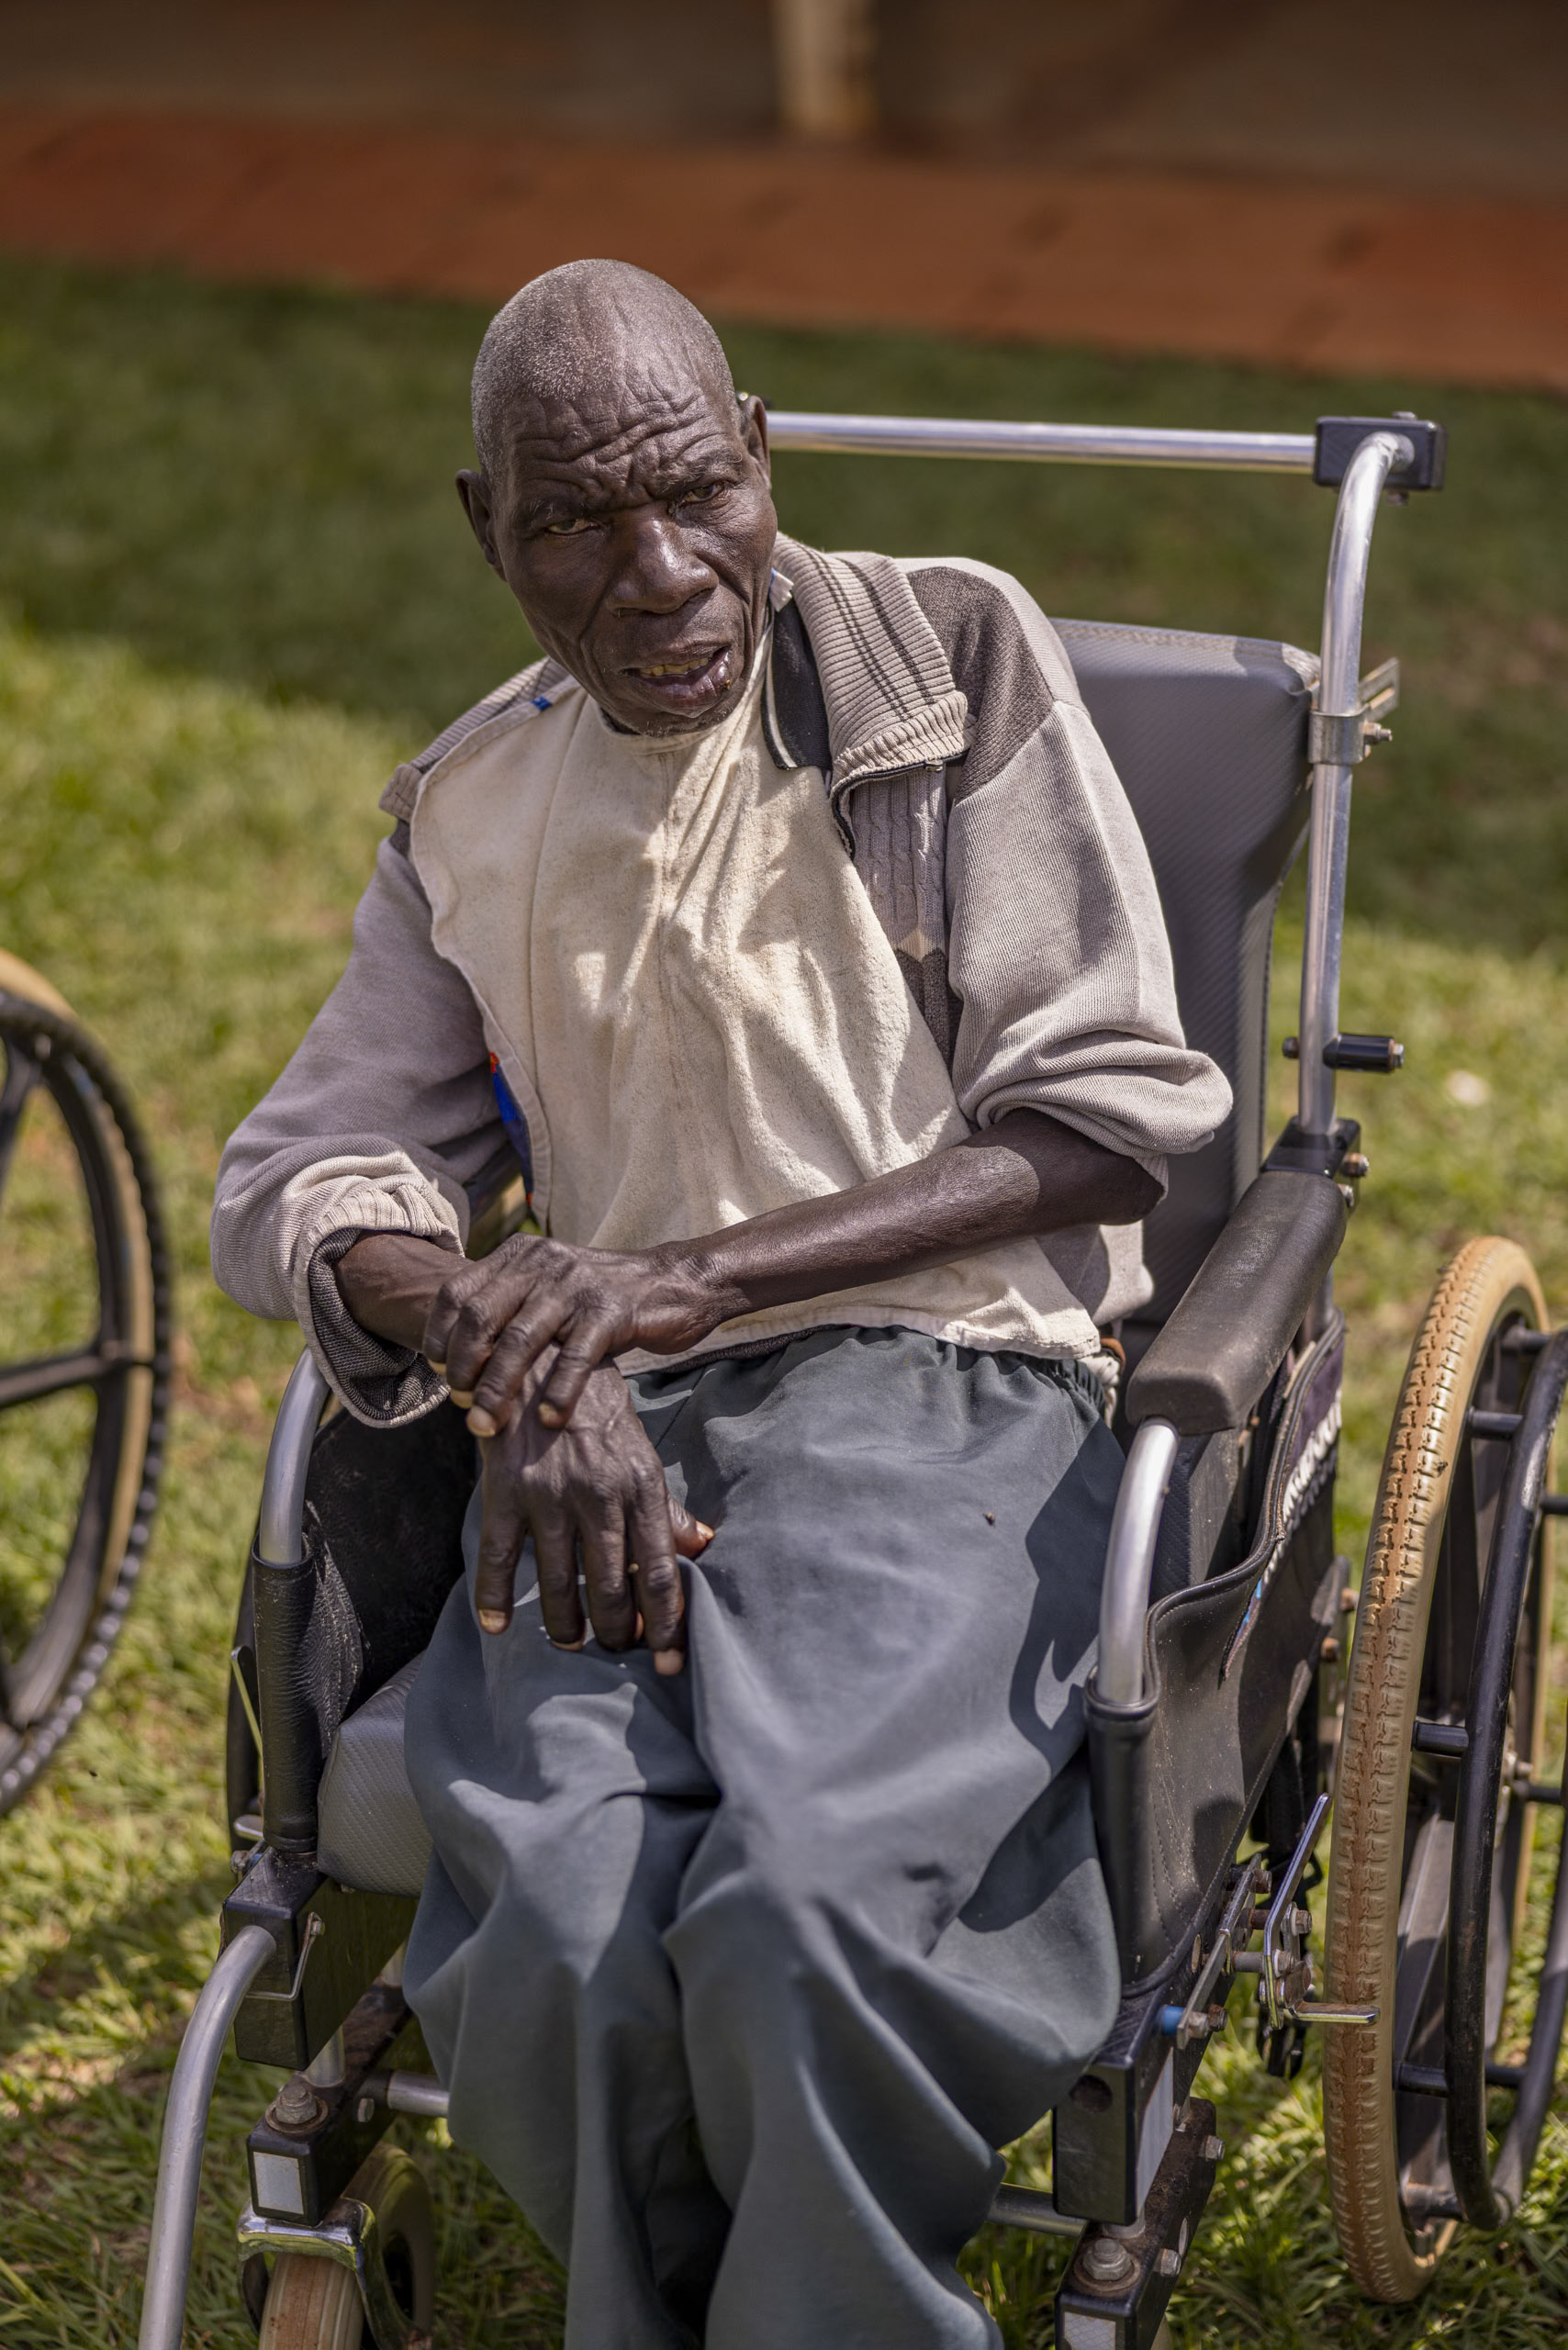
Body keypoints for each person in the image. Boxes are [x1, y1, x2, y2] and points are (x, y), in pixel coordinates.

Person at [212, 259, 1230, 2349]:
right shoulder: (467, 802)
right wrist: (503, 1324)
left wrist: (666, 1279)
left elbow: (1107, 1116)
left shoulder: (942, 655)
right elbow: (298, 1176)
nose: (656, 569)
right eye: (573, 519)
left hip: (943, 1396)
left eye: (691, 491)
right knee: (571, 1928)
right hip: (597, 1439)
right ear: (484, 529)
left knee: (798, 1921)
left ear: (759, 455)